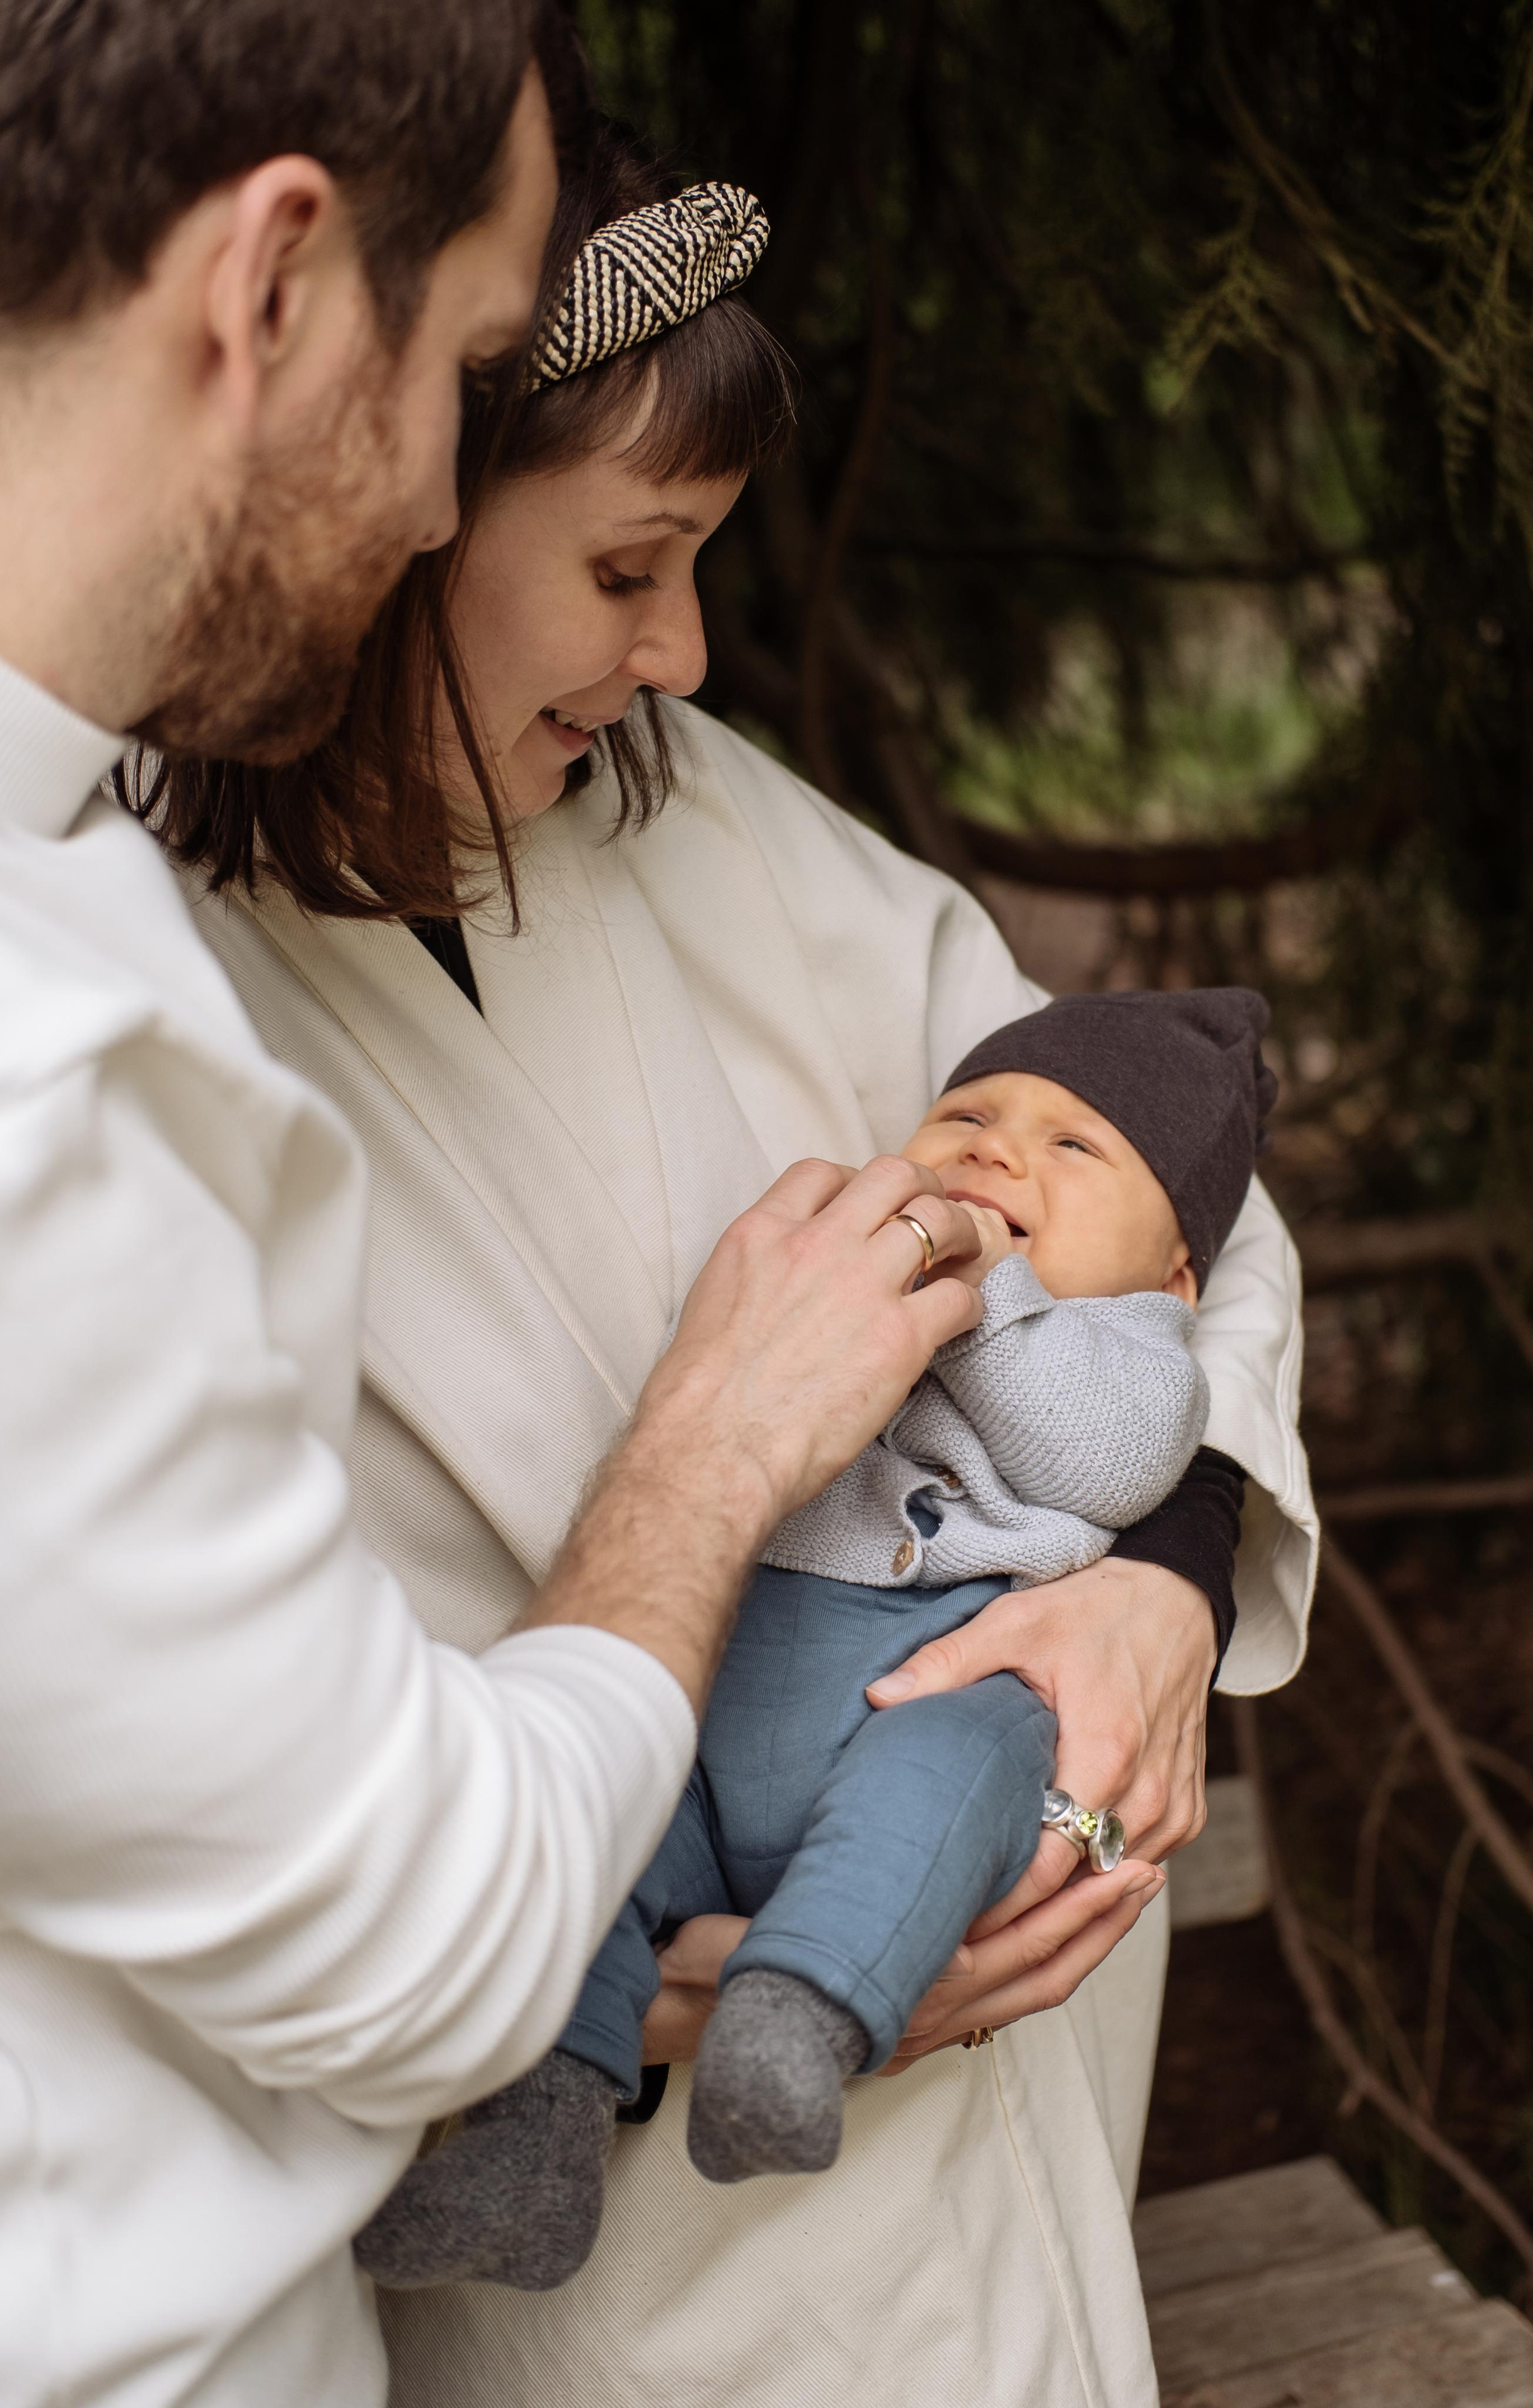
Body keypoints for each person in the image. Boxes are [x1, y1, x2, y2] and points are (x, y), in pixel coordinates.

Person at [169, 142, 1319, 2408]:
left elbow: (1186, 1185)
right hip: (639, 2275)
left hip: (1017, 2179)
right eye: (625, 569)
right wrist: (613, 1980)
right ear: (386, 515)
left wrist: (1159, 1582)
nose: (683, 654)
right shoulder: (158, 1045)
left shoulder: (703, 823)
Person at [0, 12, 1004, 2406]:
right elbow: (418, 1932)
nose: (438, 500)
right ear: (270, 291)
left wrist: (1145, 1598)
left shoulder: (691, 826)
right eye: (456, 381)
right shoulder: (86, 1022)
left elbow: (1093, 1124)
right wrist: (706, 1460)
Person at [354, 986, 1272, 2293]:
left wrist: (987, 1286)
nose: (997, 1149)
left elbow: (1092, 1459)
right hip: (726, 1687)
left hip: (935, 1681)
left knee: (941, 1778)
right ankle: (536, 2136)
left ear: (1175, 1273)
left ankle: (793, 2022)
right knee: (608, 1820)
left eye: (1075, 1149)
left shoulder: (1135, 1352)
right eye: (965, 1116)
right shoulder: (864, 1279)